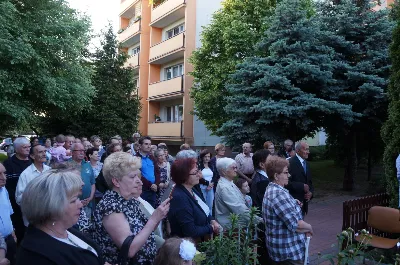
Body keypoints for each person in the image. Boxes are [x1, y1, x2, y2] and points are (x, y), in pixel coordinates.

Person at [93, 152, 170, 265]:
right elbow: (129, 249)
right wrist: (154, 218)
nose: (139, 181)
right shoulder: (110, 206)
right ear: (116, 181)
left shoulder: (129, 200)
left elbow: (145, 233)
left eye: (138, 176)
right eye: (133, 177)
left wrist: (159, 216)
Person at [17, 170, 105, 265]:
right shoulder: (36, 256)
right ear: (51, 207)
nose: (80, 204)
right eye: (74, 200)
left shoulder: (66, 230)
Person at [263, 155, 313, 264]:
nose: (288, 175)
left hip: (283, 250)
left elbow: (281, 211)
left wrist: (293, 203)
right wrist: (309, 228)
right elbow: (296, 225)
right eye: (285, 173)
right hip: (289, 253)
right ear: (276, 176)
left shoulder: (273, 189)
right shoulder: (278, 194)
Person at [168, 158, 220, 241]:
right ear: (183, 175)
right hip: (187, 246)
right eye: (195, 172)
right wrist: (211, 227)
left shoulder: (192, 188)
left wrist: (212, 220)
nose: (199, 175)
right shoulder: (180, 198)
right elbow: (190, 231)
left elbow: (203, 209)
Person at [214, 158, 262, 228]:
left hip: (234, 226)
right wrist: (259, 220)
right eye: (233, 168)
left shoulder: (229, 182)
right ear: (224, 171)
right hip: (230, 229)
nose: (236, 170)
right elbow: (238, 208)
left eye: (236, 167)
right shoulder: (224, 187)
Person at [3, 137, 31, 245]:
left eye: (29, 147)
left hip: (31, 205)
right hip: (15, 206)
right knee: (20, 233)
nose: (28, 149)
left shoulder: (32, 162)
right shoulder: (8, 164)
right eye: (25, 147)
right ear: (17, 149)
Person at [15, 145, 51, 226]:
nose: (44, 154)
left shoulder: (49, 170)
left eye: (45, 151)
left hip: (49, 217)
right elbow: (19, 199)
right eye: (40, 152)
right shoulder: (25, 174)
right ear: (32, 156)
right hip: (33, 219)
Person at [66, 143, 96, 218]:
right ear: (72, 152)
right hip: (72, 205)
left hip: (87, 204)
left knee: (86, 226)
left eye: (83, 150)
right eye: (79, 150)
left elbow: (92, 183)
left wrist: (90, 198)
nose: (82, 152)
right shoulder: (66, 166)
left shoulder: (87, 164)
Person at [287, 142, 314, 215]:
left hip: (304, 204)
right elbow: (285, 183)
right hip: (293, 203)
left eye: (308, 149)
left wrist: (311, 193)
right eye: (306, 149)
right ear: (298, 151)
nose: (308, 152)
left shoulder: (307, 163)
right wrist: (301, 186)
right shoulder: (290, 163)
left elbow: (309, 182)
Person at [135, 136, 160, 208]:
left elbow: (157, 172)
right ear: (140, 145)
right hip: (142, 190)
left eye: (150, 144)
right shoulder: (136, 158)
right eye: (146, 144)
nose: (149, 146)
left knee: (152, 211)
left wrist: (156, 184)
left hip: (153, 190)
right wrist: (150, 185)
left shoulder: (152, 157)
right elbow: (137, 175)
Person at [0, 163, 16, 265]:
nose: (4, 178)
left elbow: (9, 213)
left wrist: (13, 232)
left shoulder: (4, 190)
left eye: (4, 173)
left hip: (10, 240)